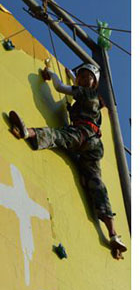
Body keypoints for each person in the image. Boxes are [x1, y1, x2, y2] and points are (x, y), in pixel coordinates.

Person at [8, 63, 128, 260]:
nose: (82, 78)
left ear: (94, 82)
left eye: (86, 76)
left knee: (59, 136)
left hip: (82, 134)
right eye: (80, 75)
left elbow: (60, 87)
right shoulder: (92, 97)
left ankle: (28, 132)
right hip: (94, 145)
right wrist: (72, 75)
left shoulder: (86, 92)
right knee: (97, 184)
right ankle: (113, 235)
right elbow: (76, 85)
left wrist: (51, 73)